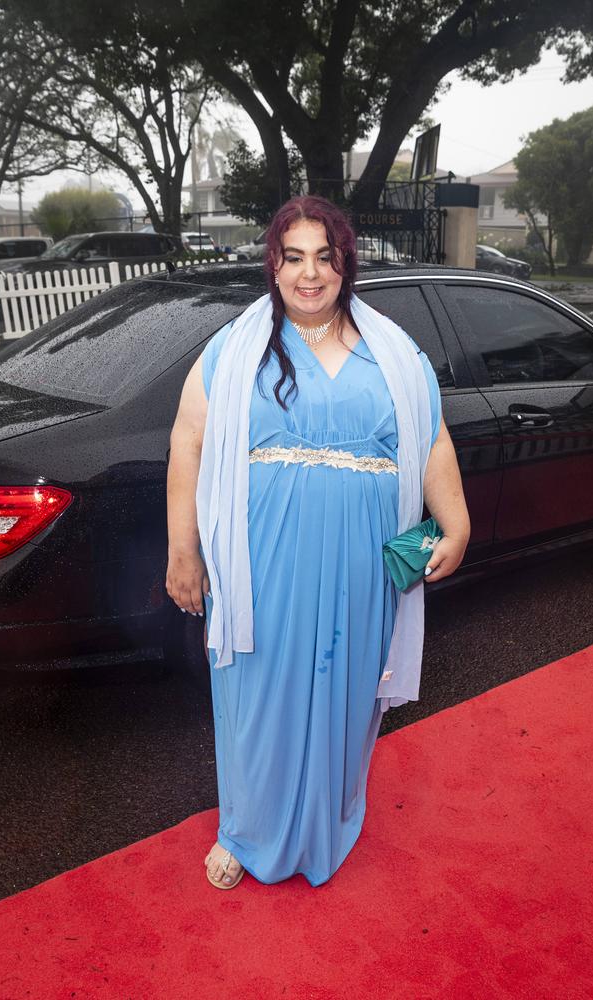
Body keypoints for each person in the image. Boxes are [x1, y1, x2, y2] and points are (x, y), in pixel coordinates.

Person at [166, 195, 470, 890]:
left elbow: (430, 437)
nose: (310, 275)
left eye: (325, 259)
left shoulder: (394, 350)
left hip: (363, 559)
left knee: (346, 688)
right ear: (273, 263)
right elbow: (188, 440)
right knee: (258, 694)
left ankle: (330, 815)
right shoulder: (233, 349)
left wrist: (456, 522)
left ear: (345, 265)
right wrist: (183, 549)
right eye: (294, 257)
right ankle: (244, 832)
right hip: (262, 558)